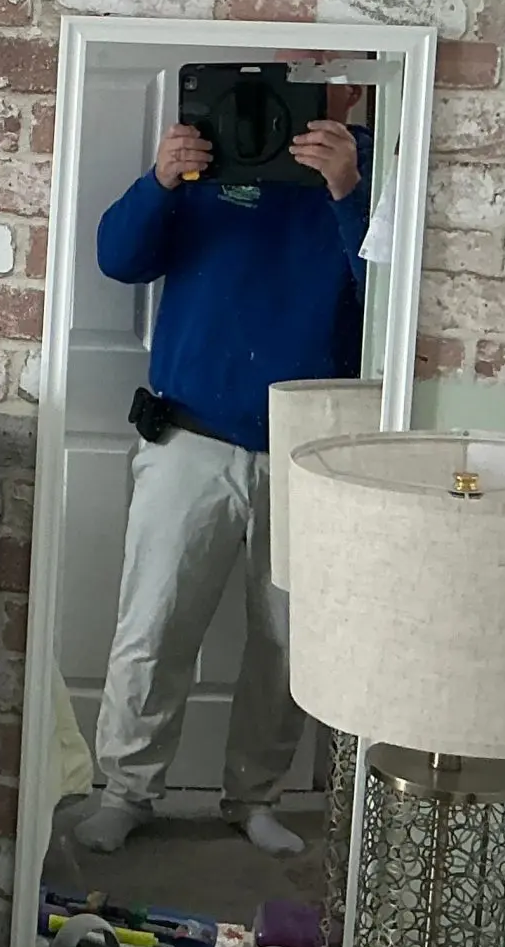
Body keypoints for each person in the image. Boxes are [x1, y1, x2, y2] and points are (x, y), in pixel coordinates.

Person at [73, 103, 370, 859]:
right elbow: (119, 257)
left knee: (285, 638)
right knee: (154, 623)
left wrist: (349, 191)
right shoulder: (212, 151)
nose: (305, 90)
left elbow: (397, 302)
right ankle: (126, 791)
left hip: (311, 451)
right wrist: (161, 180)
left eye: (325, 70)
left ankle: (257, 797)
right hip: (189, 436)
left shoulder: (369, 159)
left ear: (353, 81)